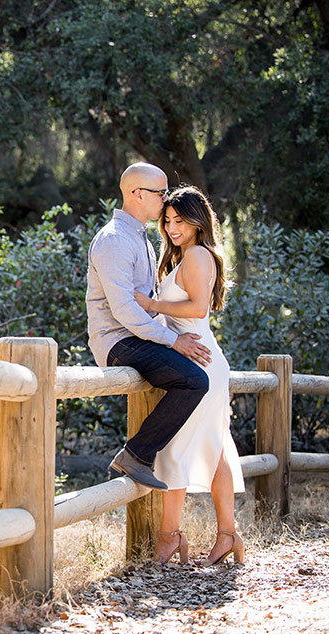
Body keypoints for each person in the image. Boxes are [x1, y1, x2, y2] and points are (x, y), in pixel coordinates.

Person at [133, 185, 245, 566]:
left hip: (201, 361)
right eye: (167, 221)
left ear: (198, 221)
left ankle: (169, 537)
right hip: (200, 358)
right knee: (215, 451)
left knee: (176, 448)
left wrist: (150, 304)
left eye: (180, 220)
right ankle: (228, 535)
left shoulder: (196, 255)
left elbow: (196, 309)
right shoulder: (186, 256)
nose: (172, 227)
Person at [86, 162, 212, 491]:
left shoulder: (139, 236)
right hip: (117, 341)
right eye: (161, 192)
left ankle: (140, 455)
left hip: (137, 338)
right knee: (194, 380)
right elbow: (125, 310)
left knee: (192, 377)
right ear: (138, 194)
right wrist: (174, 341)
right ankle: (136, 455)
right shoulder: (114, 240)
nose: (166, 197)